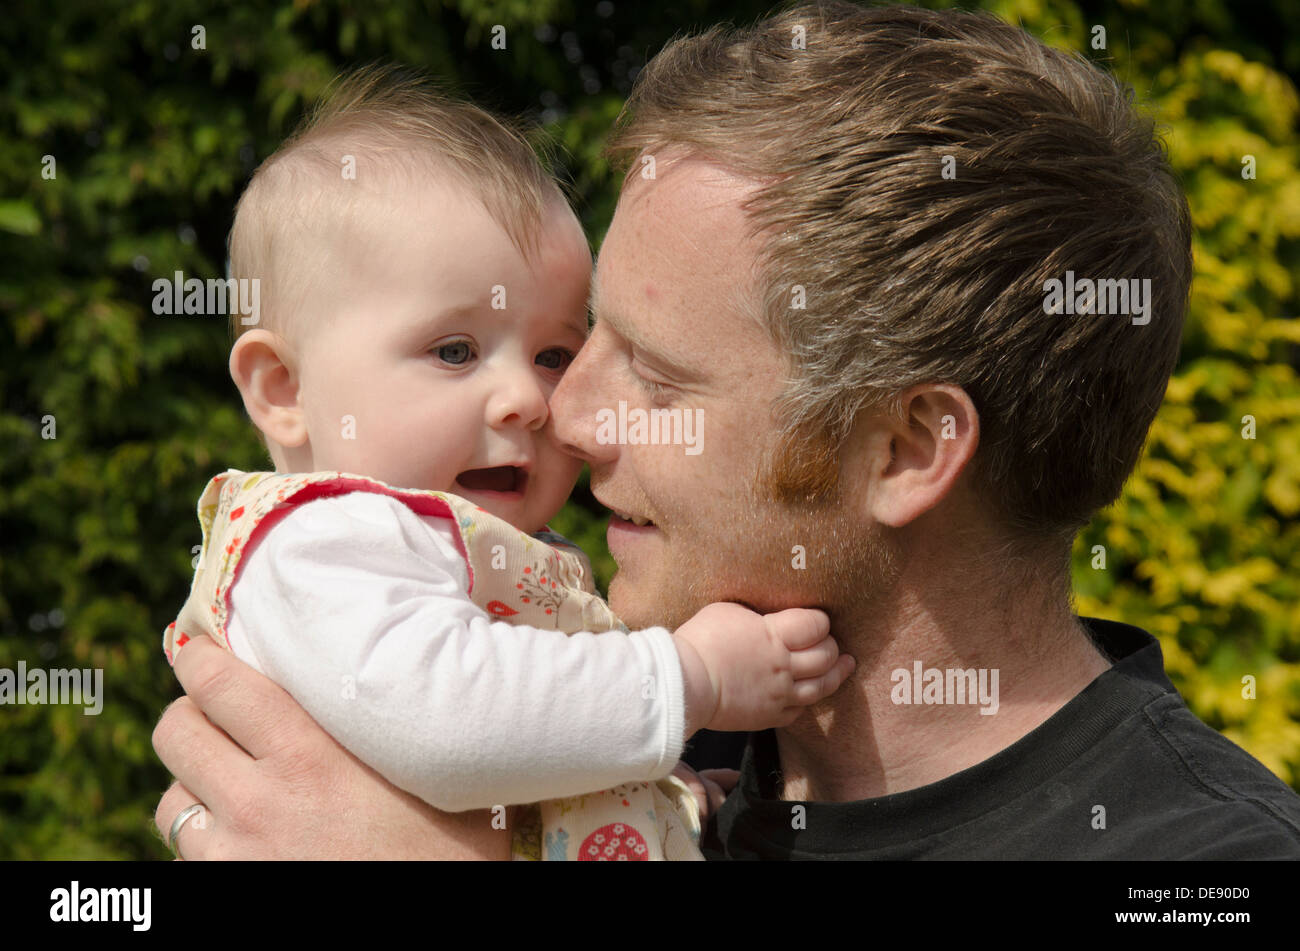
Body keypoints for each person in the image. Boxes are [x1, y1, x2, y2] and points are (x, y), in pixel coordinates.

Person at [154, 2, 1300, 860]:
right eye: (579, 338)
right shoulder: (627, 725)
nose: (564, 411)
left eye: (652, 372)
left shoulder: (1198, 861)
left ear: (904, 450)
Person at [158, 65, 852, 862]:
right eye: (454, 350)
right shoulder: (325, 543)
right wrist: (691, 676)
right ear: (284, 388)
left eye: (555, 351)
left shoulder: (445, 546)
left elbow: (523, 743)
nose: (526, 397)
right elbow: (450, 726)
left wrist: (646, 791)